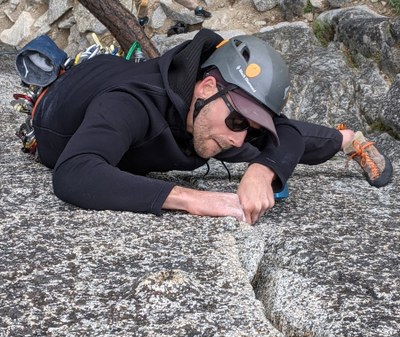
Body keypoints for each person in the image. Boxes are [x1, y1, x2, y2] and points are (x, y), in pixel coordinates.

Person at [31, 29, 393, 224]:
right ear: (206, 87)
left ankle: (347, 138)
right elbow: (75, 173)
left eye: (249, 128)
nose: (238, 136)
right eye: (237, 121)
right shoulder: (130, 104)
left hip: (180, 114)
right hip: (69, 93)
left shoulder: (213, 112)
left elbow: (287, 133)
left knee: (252, 146)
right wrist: (193, 200)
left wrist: (262, 170)